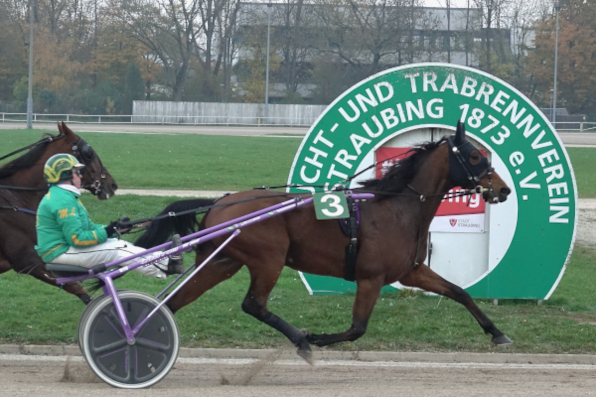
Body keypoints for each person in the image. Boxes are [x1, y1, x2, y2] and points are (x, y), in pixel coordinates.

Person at [35, 153, 184, 279]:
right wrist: (107, 232)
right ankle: (167, 265)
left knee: (118, 243)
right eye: (76, 172)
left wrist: (115, 229)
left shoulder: (63, 196)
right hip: (60, 252)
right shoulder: (62, 200)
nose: (81, 175)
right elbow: (77, 238)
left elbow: (88, 228)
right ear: (65, 175)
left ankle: (165, 259)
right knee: (118, 249)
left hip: (62, 250)